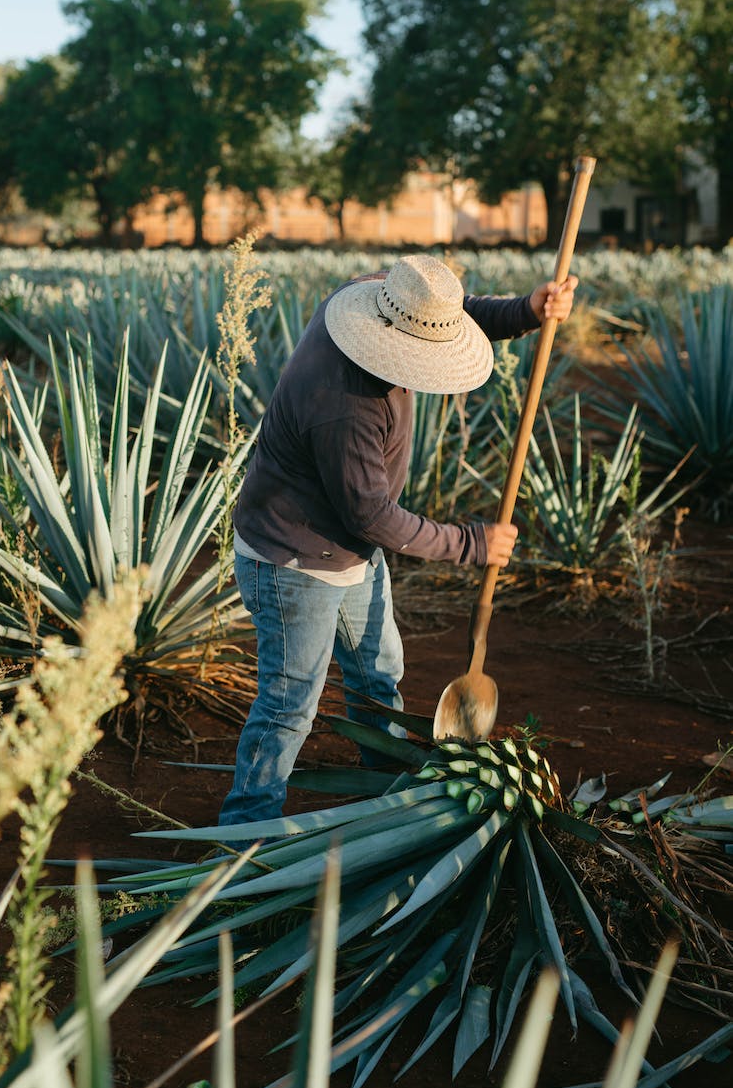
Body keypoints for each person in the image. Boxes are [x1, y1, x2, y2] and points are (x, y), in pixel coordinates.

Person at [220, 255, 577, 826]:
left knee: (376, 676)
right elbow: (372, 517)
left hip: (347, 552)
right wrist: (470, 544)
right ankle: (242, 838)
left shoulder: (373, 298)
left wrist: (523, 312)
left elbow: (448, 314)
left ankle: (386, 804)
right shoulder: (346, 407)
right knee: (289, 706)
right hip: (294, 560)